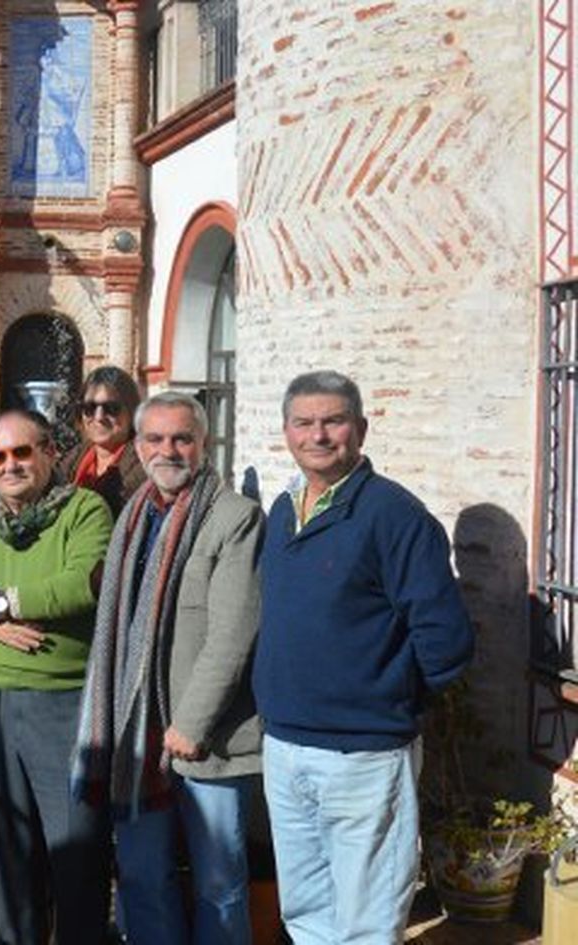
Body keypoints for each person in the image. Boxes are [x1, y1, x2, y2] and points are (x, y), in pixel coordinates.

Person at [254, 371, 474, 944]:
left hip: (364, 755)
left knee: (367, 922)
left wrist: (385, 697)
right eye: (304, 422)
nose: (318, 435)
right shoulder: (283, 510)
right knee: (305, 913)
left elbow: (446, 641)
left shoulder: (394, 516)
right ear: (287, 432)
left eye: (334, 421)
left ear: (361, 429)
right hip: (285, 749)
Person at [71, 392, 264, 945]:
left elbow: (234, 632)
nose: (168, 450)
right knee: (140, 875)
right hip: (137, 738)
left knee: (219, 883)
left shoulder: (234, 517)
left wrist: (192, 724)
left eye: (182, 438)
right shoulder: (133, 516)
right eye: (155, 439)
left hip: (206, 739)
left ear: (204, 444)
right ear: (137, 446)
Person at [0, 409, 113, 945]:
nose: (10, 465)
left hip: (63, 701)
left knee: (76, 851)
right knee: (10, 852)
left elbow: (83, 583)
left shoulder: (84, 510)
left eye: (22, 452)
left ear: (50, 452)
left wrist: (0, 601)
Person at [59, 365, 145, 517]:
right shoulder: (71, 461)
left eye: (111, 408)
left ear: (132, 413)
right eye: (89, 408)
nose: (99, 417)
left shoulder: (143, 466)